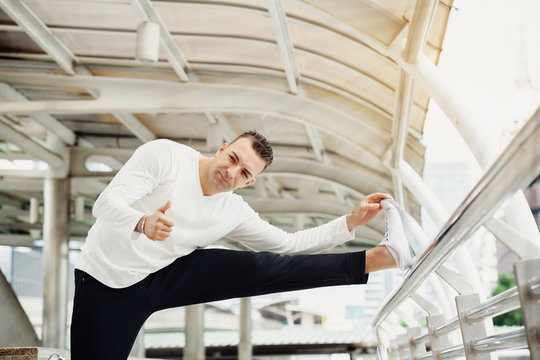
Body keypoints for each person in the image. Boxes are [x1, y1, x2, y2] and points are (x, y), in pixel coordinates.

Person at [71, 130, 417, 359]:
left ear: (251, 181)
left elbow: (289, 244)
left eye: (245, 174)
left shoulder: (232, 210)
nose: (232, 173)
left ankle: (381, 258)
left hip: (166, 274)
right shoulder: (166, 157)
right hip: (106, 283)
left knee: (262, 266)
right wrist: (143, 222)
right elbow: (104, 205)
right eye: (233, 159)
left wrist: (350, 222)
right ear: (222, 148)